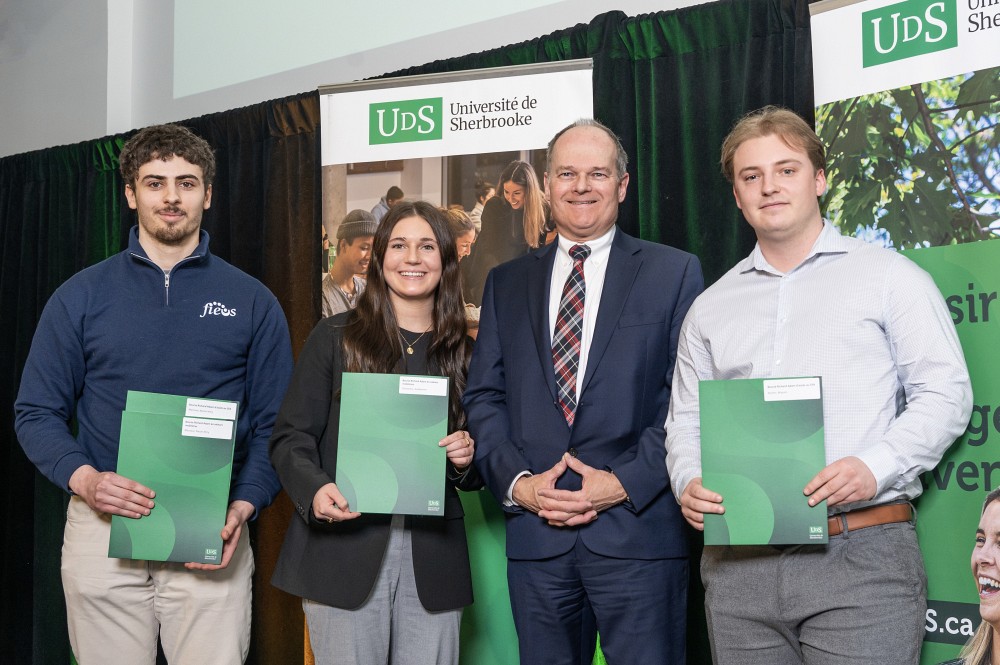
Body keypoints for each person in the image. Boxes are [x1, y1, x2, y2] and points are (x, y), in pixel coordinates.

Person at [665, 106, 973, 664]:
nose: (769, 187)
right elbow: (685, 419)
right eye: (750, 176)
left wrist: (874, 465)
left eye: (786, 169)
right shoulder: (710, 308)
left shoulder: (889, 278)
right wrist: (688, 477)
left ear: (819, 179)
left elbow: (945, 393)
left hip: (862, 553)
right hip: (740, 564)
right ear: (736, 195)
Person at [13, 124, 293, 664]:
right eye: (155, 182)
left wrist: (245, 504)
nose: (170, 197)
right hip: (102, 531)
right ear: (130, 193)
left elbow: (276, 424)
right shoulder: (80, 297)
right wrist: (86, 479)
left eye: (186, 183)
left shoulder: (252, 301)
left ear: (207, 195)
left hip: (210, 527)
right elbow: (36, 412)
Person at [463, 119, 704, 665]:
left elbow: (685, 399)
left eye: (598, 173)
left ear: (622, 185)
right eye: (567, 173)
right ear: (547, 185)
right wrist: (519, 485)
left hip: (639, 535)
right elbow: (485, 396)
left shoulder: (674, 273)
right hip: (537, 538)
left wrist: (622, 483)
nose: (581, 186)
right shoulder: (506, 282)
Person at [270, 200, 482, 665]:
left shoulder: (467, 352)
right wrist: (316, 488)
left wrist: (469, 459)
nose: (412, 258)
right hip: (341, 553)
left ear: (446, 259)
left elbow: (484, 459)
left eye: (427, 246)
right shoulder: (334, 337)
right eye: (399, 245)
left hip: (433, 559)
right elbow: (291, 438)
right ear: (380, 256)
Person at [462, 160, 550, 306]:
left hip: (523, 278)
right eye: (506, 192)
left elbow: (537, 253)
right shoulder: (495, 206)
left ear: (529, 191)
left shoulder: (542, 208)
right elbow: (488, 251)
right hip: (493, 275)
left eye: (517, 193)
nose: (510, 198)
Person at [322, 209, 377, 318]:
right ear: (343, 245)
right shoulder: (324, 296)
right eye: (364, 248)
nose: (370, 256)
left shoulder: (367, 289)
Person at [442, 206, 480, 338]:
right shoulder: (436, 270)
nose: (468, 252)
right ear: (448, 240)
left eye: (470, 245)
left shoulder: (451, 267)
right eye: (464, 245)